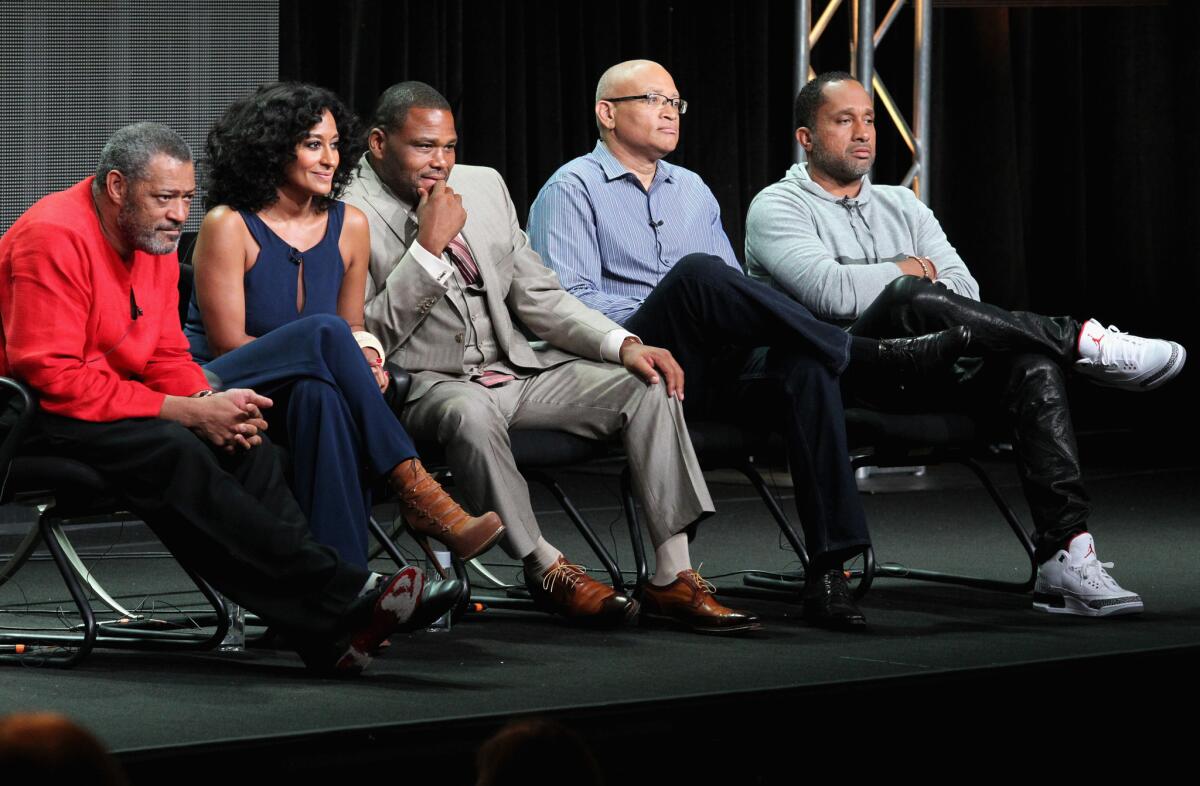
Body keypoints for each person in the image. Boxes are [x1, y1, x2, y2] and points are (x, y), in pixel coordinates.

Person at [0, 122, 462, 672]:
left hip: (118, 402)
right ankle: (344, 590)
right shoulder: (53, 235)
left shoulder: (153, 238)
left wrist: (207, 403)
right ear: (117, 187)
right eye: (164, 198)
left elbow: (165, 353)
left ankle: (324, 634)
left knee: (250, 446)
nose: (178, 214)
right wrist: (184, 410)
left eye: (187, 199)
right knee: (176, 450)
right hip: (40, 412)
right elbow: (50, 375)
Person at [528, 59, 965, 629]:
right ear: (606, 114)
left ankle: (830, 570)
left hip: (708, 368)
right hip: (630, 363)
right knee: (696, 275)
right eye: (653, 100)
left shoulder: (692, 189)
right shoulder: (570, 189)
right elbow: (568, 309)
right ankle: (858, 352)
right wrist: (671, 308)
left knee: (804, 365)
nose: (669, 112)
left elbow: (735, 302)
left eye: (675, 102)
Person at [744, 72, 1187, 617]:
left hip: (931, 368)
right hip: (843, 372)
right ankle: (1078, 340)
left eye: (869, 119)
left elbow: (966, 290)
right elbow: (831, 294)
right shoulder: (776, 206)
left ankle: (1066, 554)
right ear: (806, 137)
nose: (862, 132)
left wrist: (908, 281)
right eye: (843, 120)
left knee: (1031, 366)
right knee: (911, 292)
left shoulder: (901, 204)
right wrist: (908, 274)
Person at [342, 81, 758, 633]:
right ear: (378, 143)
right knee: (470, 412)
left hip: (516, 369)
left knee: (646, 384)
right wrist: (428, 251)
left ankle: (671, 576)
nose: (439, 163)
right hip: (427, 383)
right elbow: (364, 335)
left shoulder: (483, 185)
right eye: (423, 147)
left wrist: (623, 343)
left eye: (448, 147)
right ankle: (544, 566)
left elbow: (539, 297)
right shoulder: (346, 208)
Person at [184, 82, 504, 569]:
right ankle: (418, 490)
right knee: (324, 334)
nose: (330, 158)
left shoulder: (349, 223)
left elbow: (354, 326)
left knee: (324, 396)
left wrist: (368, 358)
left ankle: (343, 592)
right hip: (226, 381)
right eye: (313, 144)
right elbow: (228, 345)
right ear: (272, 150)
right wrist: (343, 352)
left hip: (304, 387)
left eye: (335, 145)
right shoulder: (229, 224)